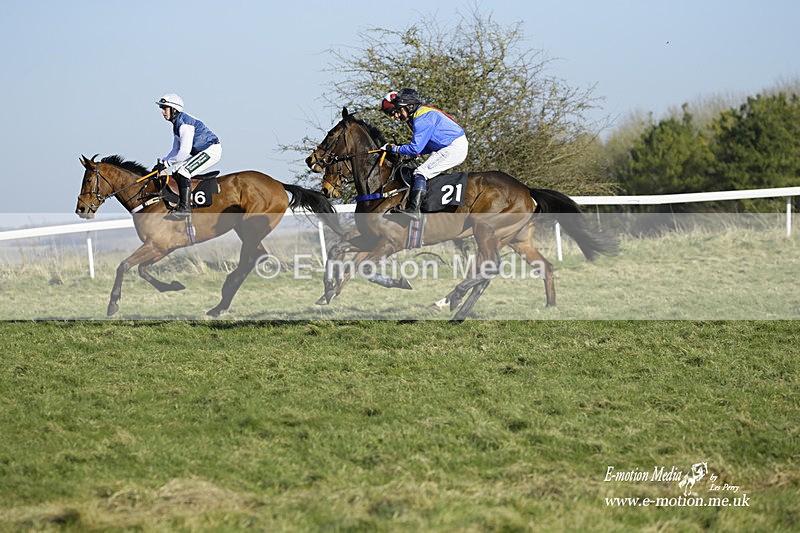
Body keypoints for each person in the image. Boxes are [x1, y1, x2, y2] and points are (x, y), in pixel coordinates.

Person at [380, 88, 468, 218]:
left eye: (398, 111)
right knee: (422, 172)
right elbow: (428, 145)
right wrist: (416, 153)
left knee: (420, 172)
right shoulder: (419, 115)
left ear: (410, 107)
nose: (396, 116)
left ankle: (414, 209)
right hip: (447, 146)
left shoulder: (422, 118)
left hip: (453, 148)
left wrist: (393, 148)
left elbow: (415, 148)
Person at [154, 93, 222, 220]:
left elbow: (184, 151)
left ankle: (185, 208)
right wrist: (163, 162)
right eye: (162, 109)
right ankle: (182, 202)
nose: (163, 112)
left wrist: (166, 164)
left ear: (174, 109)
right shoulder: (176, 124)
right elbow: (175, 150)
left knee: (184, 172)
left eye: (165, 108)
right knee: (176, 170)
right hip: (202, 152)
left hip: (211, 151)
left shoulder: (185, 124)